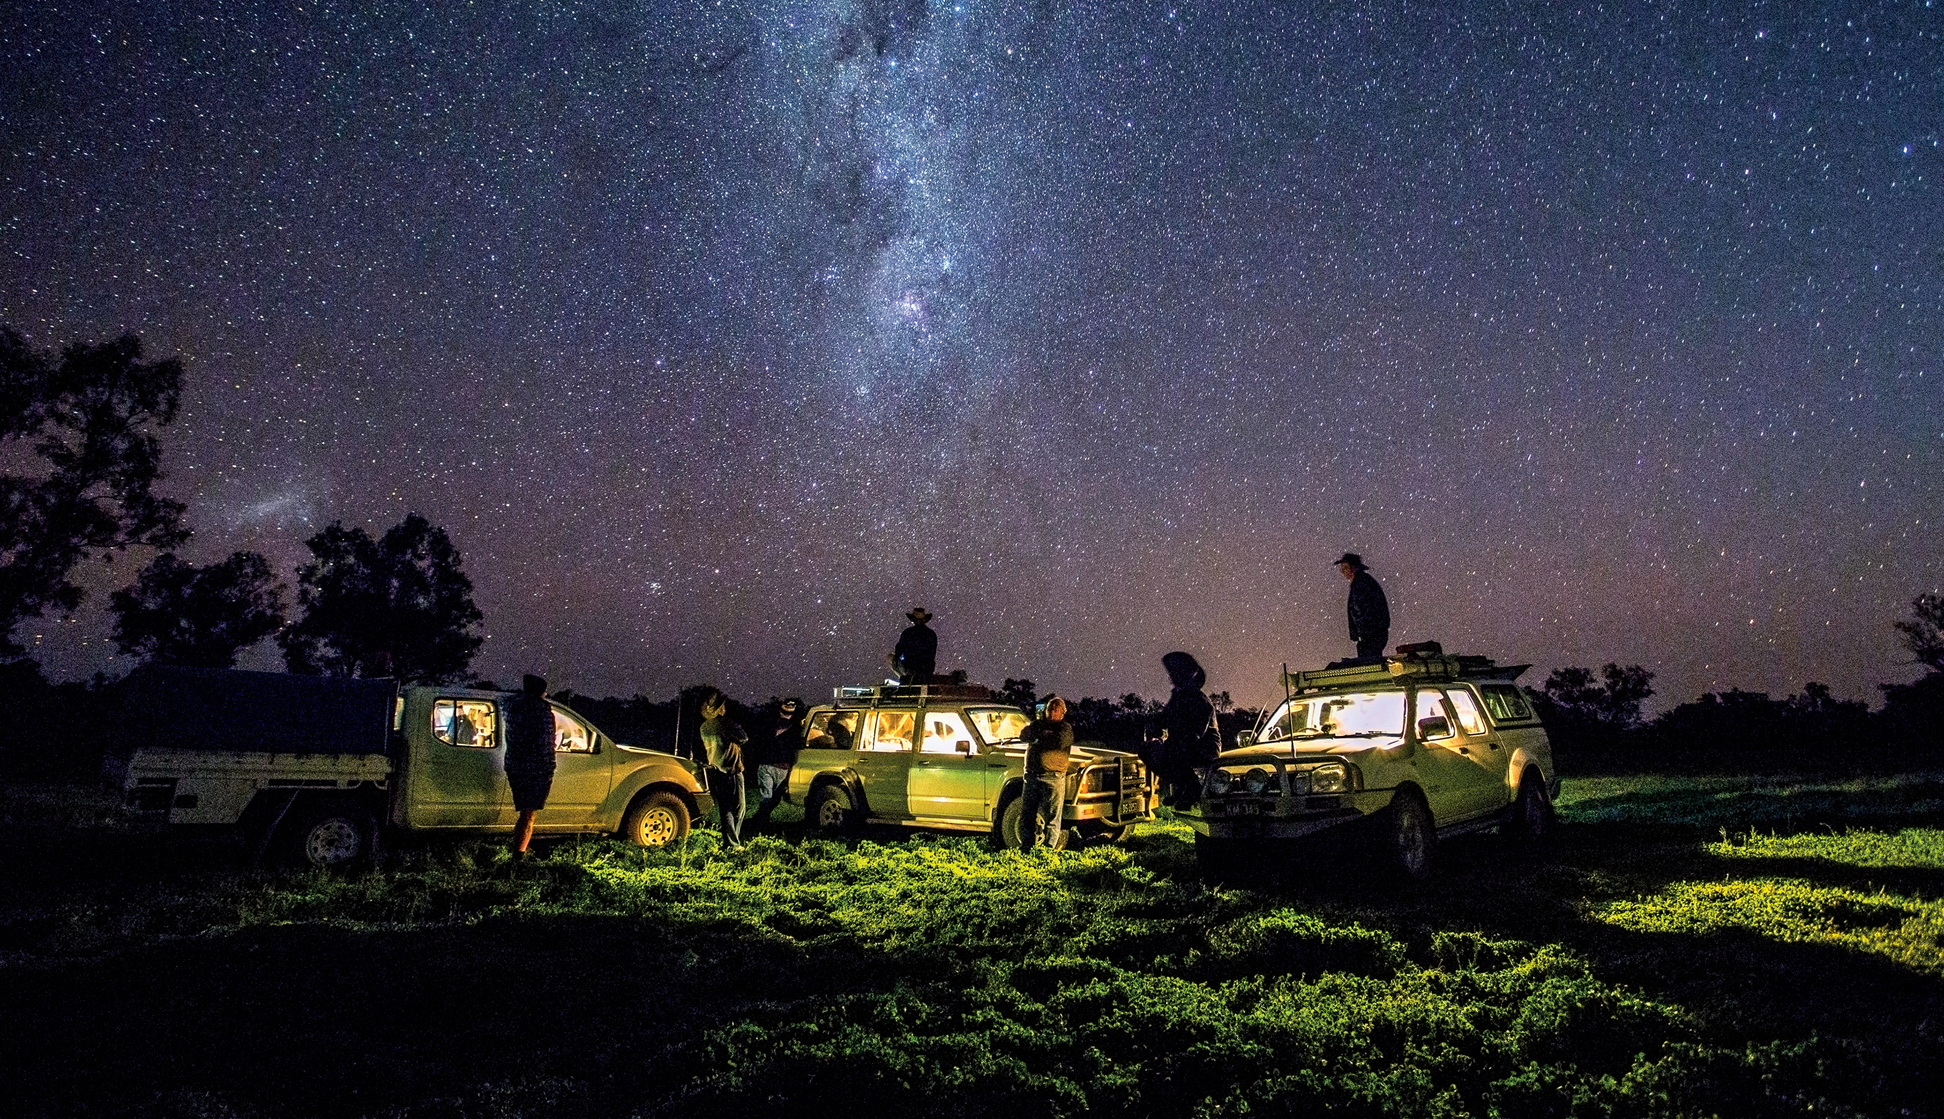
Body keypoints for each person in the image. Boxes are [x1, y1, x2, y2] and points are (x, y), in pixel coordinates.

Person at [1152, 652, 1216, 810]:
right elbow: (1164, 719)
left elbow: (1196, 733)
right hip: (1181, 745)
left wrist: (1175, 740)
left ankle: (1192, 788)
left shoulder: (1200, 701)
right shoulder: (1178, 698)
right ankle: (1182, 785)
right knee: (1150, 750)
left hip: (1203, 747)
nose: (1171, 678)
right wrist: (1155, 728)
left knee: (1175, 749)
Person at [505, 674, 555, 854]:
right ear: (541, 692)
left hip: (513, 764)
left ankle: (516, 847)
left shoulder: (512, 708)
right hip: (535, 768)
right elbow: (545, 743)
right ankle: (518, 856)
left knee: (525, 811)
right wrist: (550, 767)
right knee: (529, 813)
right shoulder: (542, 712)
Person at [1018, 695, 1075, 849]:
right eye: (1050, 708)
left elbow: (1057, 742)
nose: (1053, 712)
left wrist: (1039, 737)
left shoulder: (1065, 729)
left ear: (1062, 713)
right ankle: (1026, 846)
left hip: (1053, 778)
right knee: (1027, 814)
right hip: (1032, 776)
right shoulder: (1037, 724)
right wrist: (1042, 735)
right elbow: (1023, 735)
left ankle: (1049, 849)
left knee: (1053, 817)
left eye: (1056, 710)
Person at [697, 689, 749, 849]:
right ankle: (733, 843)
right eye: (722, 705)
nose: (725, 707)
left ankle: (730, 842)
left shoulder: (704, 727)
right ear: (719, 708)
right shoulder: (725, 723)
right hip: (732, 770)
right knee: (739, 808)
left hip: (716, 770)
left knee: (725, 808)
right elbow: (743, 737)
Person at [750, 697, 803, 829]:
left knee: (772, 798)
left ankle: (758, 820)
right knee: (769, 798)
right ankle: (761, 824)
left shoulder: (770, 722)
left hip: (774, 765)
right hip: (775, 765)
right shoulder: (795, 727)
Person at [1335, 552, 1391, 660]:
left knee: (1369, 665)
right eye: (1342, 569)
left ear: (1354, 568)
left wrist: (1364, 633)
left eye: (1345, 568)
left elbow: (1362, 610)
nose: (1343, 572)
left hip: (1371, 634)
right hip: (1373, 633)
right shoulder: (1362, 582)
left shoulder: (1361, 584)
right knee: (1371, 662)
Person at [890, 607, 937, 683]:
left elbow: (899, 650)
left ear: (913, 620)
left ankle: (905, 678)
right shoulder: (931, 634)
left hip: (910, 668)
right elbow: (932, 654)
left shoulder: (907, 633)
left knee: (890, 657)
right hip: (927, 670)